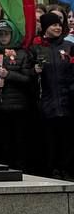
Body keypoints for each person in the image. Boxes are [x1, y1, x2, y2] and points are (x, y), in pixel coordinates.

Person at [0, 21, 33, 171]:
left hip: (19, 104)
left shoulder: (22, 53)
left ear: (12, 35)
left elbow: (28, 79)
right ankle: (5, 166)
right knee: (3, 139)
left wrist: (9, 75)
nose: (3, 37)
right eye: (0, 34)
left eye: (6, 33)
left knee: (20, 139)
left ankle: (21, 167)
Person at [32, 12, 74, 177]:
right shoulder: (37, 48)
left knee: (68, 139)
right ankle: (52, 170)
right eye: (53, 25)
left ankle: (67, 169)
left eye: (59, 25)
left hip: (67, 102)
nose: (57, 27)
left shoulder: (69, 47)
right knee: (50, 139)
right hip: (46, 102)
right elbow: (28, 74)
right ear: (45, 27)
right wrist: (34, 71)